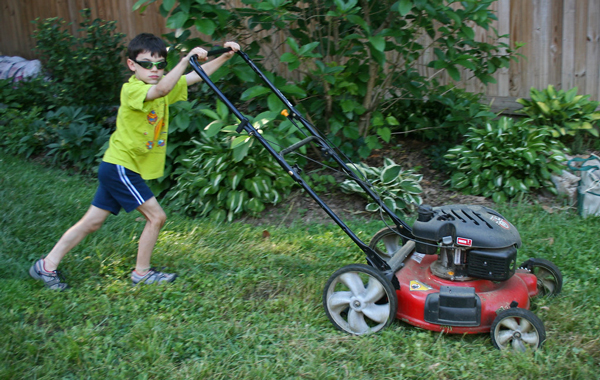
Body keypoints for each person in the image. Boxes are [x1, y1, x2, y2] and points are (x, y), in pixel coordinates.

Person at [29, 33, 240, 290]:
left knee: (92, 222)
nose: (154, 70)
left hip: (118, 166)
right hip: (121, 167)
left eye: (160, 64)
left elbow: (194, 77)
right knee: (156, 217)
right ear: (132, 65)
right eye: (146, 64)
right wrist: (185, 59)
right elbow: (163, 87)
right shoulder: (132, 90)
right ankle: (142, 273)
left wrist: (226, 56)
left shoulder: (162, 85)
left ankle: (46, 265)